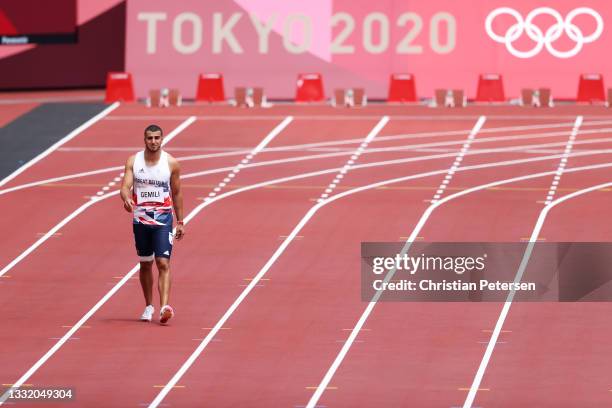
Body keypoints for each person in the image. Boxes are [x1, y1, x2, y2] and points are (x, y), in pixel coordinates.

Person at [120, 124, 185, 324]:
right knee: (145, 263)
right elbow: (125, 186)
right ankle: (149, 306)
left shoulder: (171, 163)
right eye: (150, 138)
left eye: (157, 138)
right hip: (140, 219)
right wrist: (126, 199)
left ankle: (164, 306)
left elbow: (177, 193)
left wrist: (180, 221)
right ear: (145, 139)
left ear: (162, 139)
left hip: (163, 219)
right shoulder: (134, 161)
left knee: (163, 263)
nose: (153, 141)